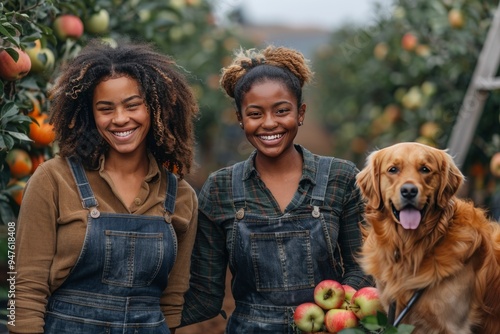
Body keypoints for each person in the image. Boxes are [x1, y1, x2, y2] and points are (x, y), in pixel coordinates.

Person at [8, 39, 199, 334]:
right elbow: (26, 285)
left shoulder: (181, 195)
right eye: (105, 108)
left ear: (156, 109)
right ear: (89, 115)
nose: (120, 119)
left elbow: (173, 300)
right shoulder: (54, 179)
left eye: (133, 105)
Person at [179, 45, 374, 333]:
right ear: (240, 118)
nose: (269, 123)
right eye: (255, 113)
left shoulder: (339, 177)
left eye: (281, 111)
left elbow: (363, 266)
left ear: (300, 113)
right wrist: (140, 317)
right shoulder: (221, 188)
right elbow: (207, 294)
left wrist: (337, 310)